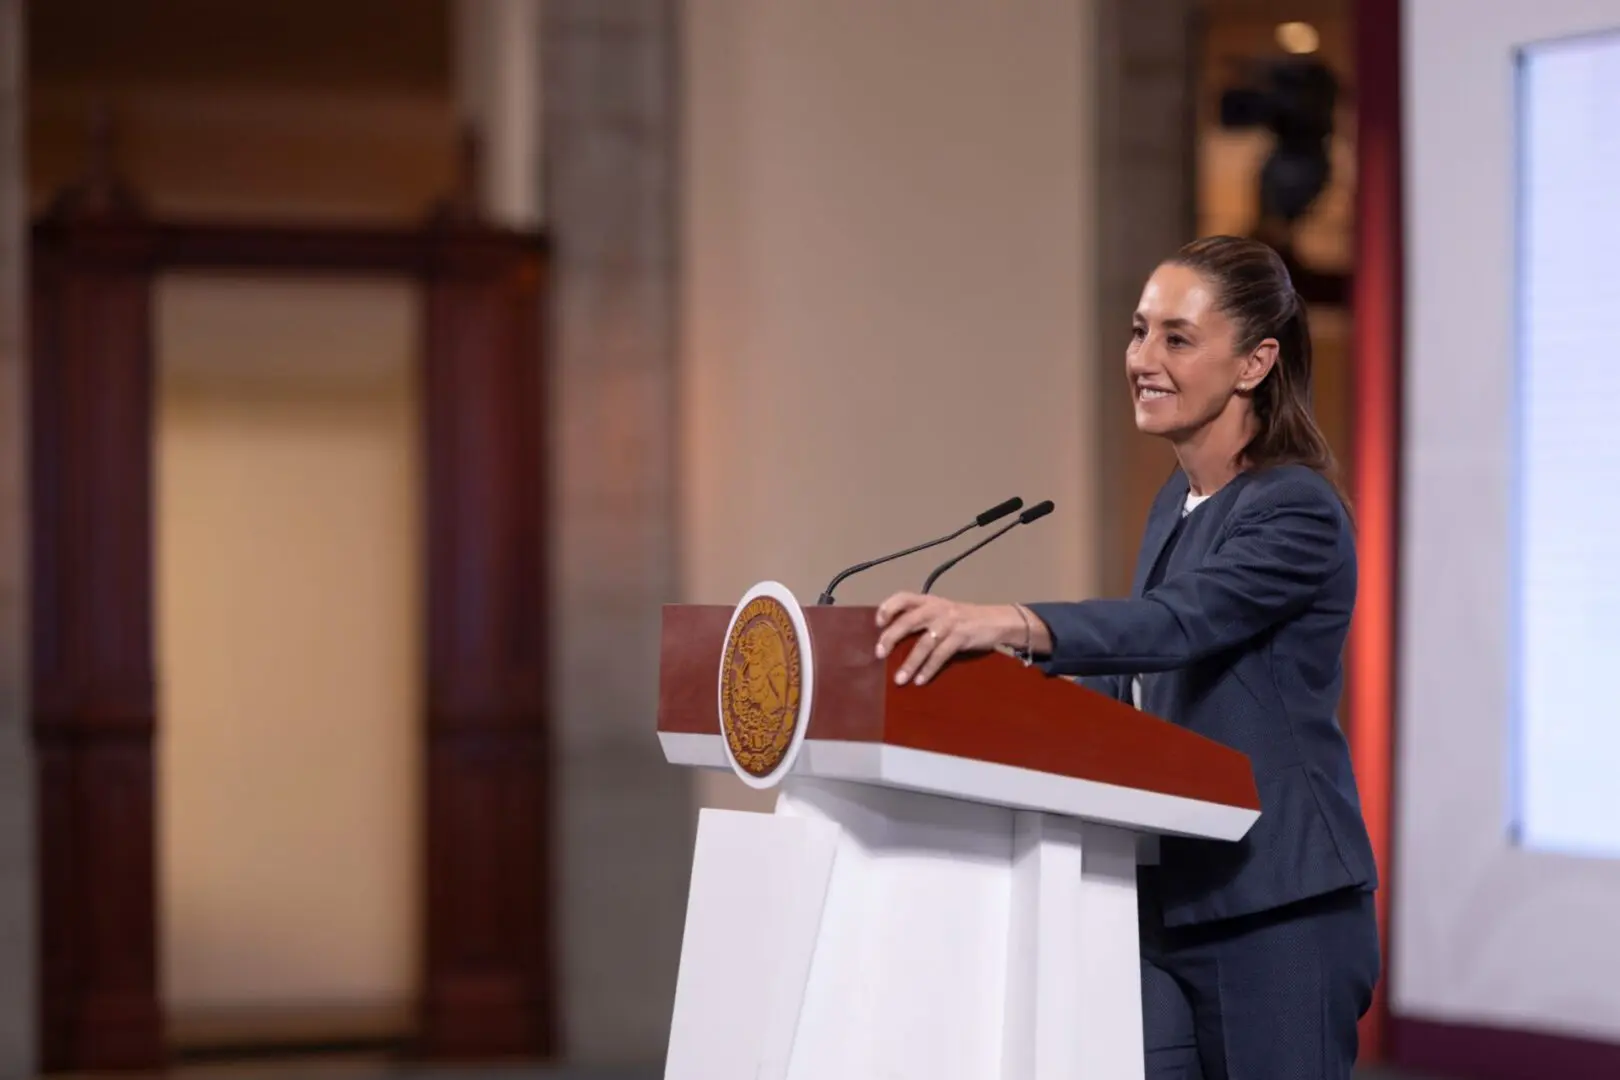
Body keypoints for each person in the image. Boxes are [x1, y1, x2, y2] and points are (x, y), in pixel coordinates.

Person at [873, 235, 1380, 1079]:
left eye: (1176, 338)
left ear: (1255, 363)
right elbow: (1133, 685)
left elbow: (1179, 624)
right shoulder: (1173, 504)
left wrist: (1008, 622)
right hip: (1162, 898)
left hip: (1275, 908)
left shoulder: (1296, 510)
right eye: (1140, 331)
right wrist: (976, 688)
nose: (1142, 359)